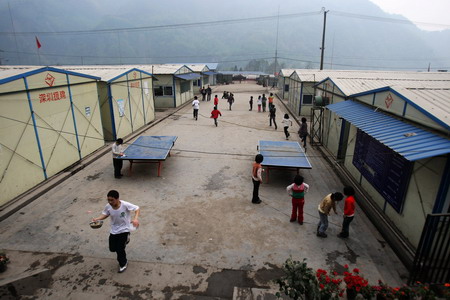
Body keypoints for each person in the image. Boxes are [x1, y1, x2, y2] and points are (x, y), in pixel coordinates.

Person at [92, 190, 140, 273]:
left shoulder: (125, 205)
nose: (110, 202)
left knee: (119, 249)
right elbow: (106, 214)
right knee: (112, 248)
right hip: (114, 230)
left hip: (124, 230)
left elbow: (137, 208)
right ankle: (126, 241)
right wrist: (97, 219)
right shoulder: (108, 206)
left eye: (112, 200)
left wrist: (135, 219)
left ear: (117, 199)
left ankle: (123, 263)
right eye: (108, 200)